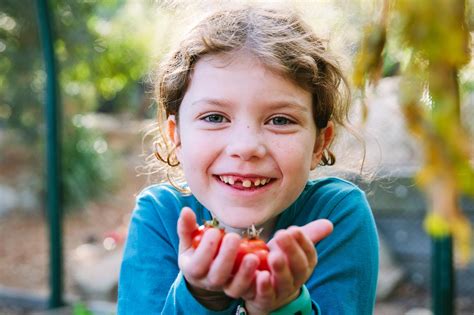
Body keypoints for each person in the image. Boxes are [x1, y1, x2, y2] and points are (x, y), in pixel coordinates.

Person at [118, 4, 379, 315]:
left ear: (318, 144)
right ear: (177, 138)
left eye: (280, 120)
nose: (246, 147)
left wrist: (282, 306)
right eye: (214, 117)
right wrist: (201, 296)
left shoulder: (335, 217)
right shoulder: (161, 217)